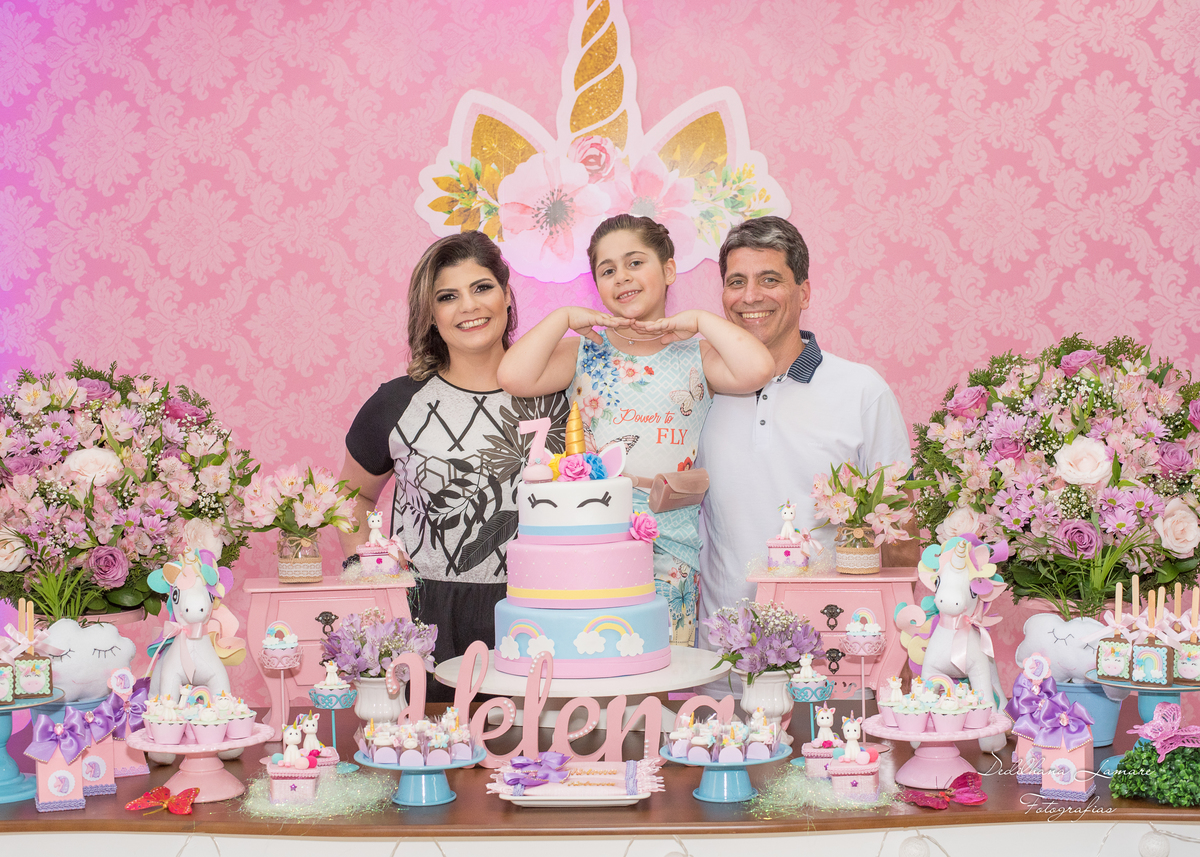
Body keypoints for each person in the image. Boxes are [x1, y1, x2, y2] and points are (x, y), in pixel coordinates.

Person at [497, 214, 774, 646]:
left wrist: (701, 321)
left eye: (635, 262)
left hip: (671, 538)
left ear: (668, 270)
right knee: (598, 651)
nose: (622, 277)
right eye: (607, 270)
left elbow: (758, 369)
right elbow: (513, 376)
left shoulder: (697, 355)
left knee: (663, 662)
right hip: (594, 534)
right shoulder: (584, 351)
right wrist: (563, 316)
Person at [340, 232, 567, 701]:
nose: (469, 306)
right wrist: (369, 576)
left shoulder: (560, 396)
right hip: (425, 618)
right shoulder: (396, 402)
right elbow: (350, 495)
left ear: (507, 295)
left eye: (482, 287)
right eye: (447, 296)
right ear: (430, 314)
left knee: (535, 744)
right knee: (426, 742)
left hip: (541, 614)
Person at [696, 216, 913, 657]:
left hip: (836, 658)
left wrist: (900, 655)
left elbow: (901, 532)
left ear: (804, 292)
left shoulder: (861, 391)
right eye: (736, 282)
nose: (750, 296)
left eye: (769, 279)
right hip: (720, 660)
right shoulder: (697, 389)